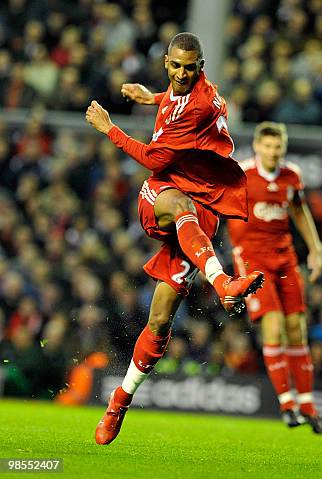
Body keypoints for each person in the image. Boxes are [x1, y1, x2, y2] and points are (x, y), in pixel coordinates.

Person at [85, 32, 264, 445]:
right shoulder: (187, 93)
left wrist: (108, 127)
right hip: (163, 195)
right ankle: (223, 281)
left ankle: (118, 402)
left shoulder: (196, 105)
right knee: (181, 206)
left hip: (202, 210)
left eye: (190, 67)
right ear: (166, 62)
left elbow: (149, 153)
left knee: (161, 320)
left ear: (201, 67)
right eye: (176, 66)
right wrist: (152, 98)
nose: (182, 74)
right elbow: (158, 160)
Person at [227, 122, 322, 435]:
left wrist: (314, 249)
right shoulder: (241, 175)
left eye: (278, 146)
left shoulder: (292, 176)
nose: (273, 152)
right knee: (273, 325)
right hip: (252, 258)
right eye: (268, 146)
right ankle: (287, 404)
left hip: (284, 256)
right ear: (257, 147)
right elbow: (219, 206)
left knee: (296, 328)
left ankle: (309, 406)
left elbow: (300, 211)